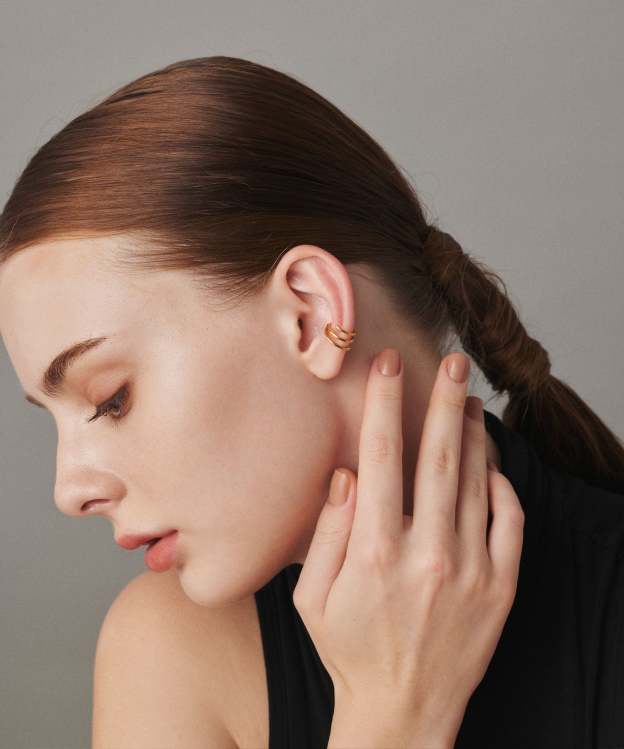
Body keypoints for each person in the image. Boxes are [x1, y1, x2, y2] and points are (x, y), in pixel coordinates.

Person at [1, 55, 622, 748]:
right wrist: (391, 714)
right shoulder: (174, 654)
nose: (68, 491)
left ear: (310, 315)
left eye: (110, 399)